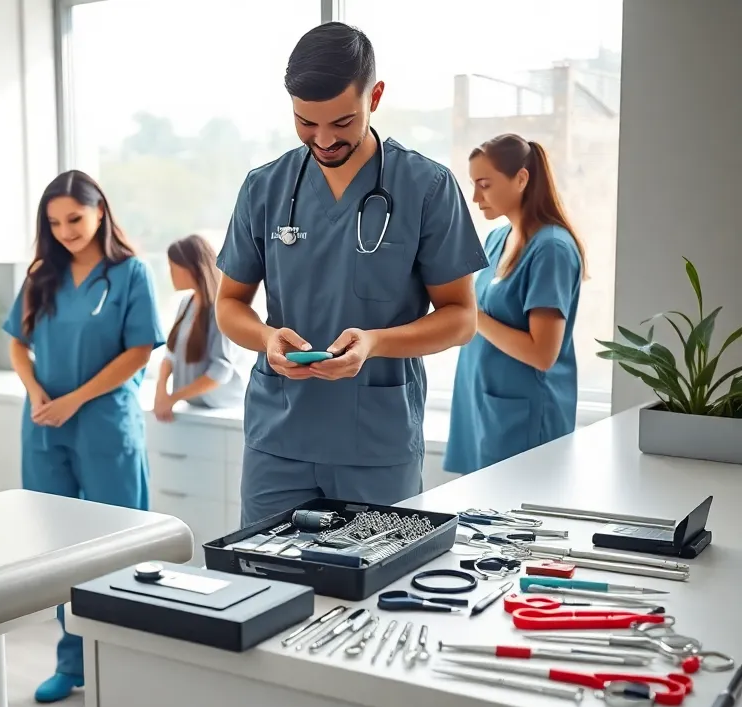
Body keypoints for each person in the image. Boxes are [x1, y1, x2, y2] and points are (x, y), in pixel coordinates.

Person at [214, 22, 488, 526]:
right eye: (305, 122)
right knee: (269, 584)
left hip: (376, 445)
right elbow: (229, 305)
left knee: (377, 589)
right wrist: (267, 338)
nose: (322, 139)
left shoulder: (426, 187)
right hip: (279, 439)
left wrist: (374, 343)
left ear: (375, 96)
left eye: (342, 122)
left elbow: (461, 318)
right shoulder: (264, 188)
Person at [2, 169, 165, 703]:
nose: (66, 229)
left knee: (118, 546)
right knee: (59, 549)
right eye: (55, 222)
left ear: (100, 212)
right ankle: (70, 663)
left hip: (104, 423)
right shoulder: (42, 274)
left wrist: (75, 399)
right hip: (46, 427)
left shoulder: (130, 273)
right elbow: (18, 346)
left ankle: (124, 661)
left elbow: (139, 352)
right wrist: (35, 391)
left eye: (75, 218)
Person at [444, 134, 588, 474]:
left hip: (523, 418)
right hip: (483, 406)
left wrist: (472, 317)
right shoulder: (497, 239)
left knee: (520, 521)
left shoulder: (551, 249)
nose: (476, 197)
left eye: (485, 184)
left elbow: (543, 353)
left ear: (521, 179)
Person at [154, 234, 247, 421]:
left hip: (219, 408)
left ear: (193, 268)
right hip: (194, 406)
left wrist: (174, 398)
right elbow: (170, 354)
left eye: (173, 266)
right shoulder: (186, 303)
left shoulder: (221, 310)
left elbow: (220, 371)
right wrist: (161, 390)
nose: (169, 272)